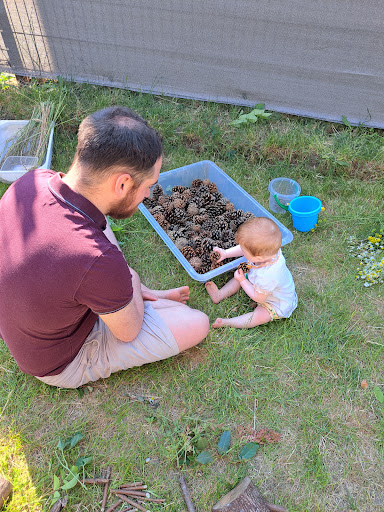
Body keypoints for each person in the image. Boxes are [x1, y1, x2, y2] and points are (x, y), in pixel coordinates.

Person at [0, 106, 210, 389]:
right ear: (123, 182)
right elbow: (128, 331)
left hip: (30, 323)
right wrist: (131, 279)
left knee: (102, 238)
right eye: (149, 185)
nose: (148, 194)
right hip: (58, 362)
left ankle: (117, 297)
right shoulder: (97, 258)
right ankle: (124, 296)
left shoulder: (33, 180)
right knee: (196, 322)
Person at [205, 217, 297, 328]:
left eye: (244, 251)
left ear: (258, 257)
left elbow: (258, 298)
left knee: (259, 316)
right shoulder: (268, 251)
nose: (242, 251)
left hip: (275, 302)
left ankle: (228, 323)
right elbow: (245, 247)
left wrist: (243, 281)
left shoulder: (269, 275)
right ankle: (219, 295)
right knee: (241, 272)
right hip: (261, 283)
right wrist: (225, 253)